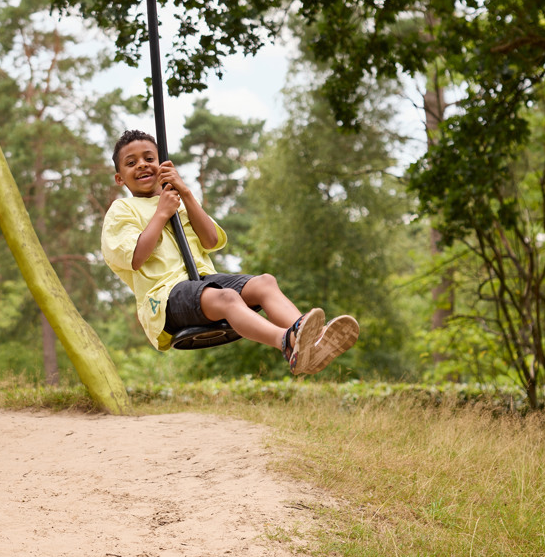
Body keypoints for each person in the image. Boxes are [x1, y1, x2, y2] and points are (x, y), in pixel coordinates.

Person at [101, 129, 358, 374]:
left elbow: (210, 240)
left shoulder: (177, 200)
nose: (142, 165)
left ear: (164, 165)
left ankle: (312, 343)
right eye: (131, 163)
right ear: (119, 178)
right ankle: (287, 342)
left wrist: (185, 192)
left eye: (149, 159)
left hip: (202, 281)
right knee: (227, 298)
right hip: (165, 297)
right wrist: (161, 214)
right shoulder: (122, 210)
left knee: (265, 283)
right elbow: (136, 258)